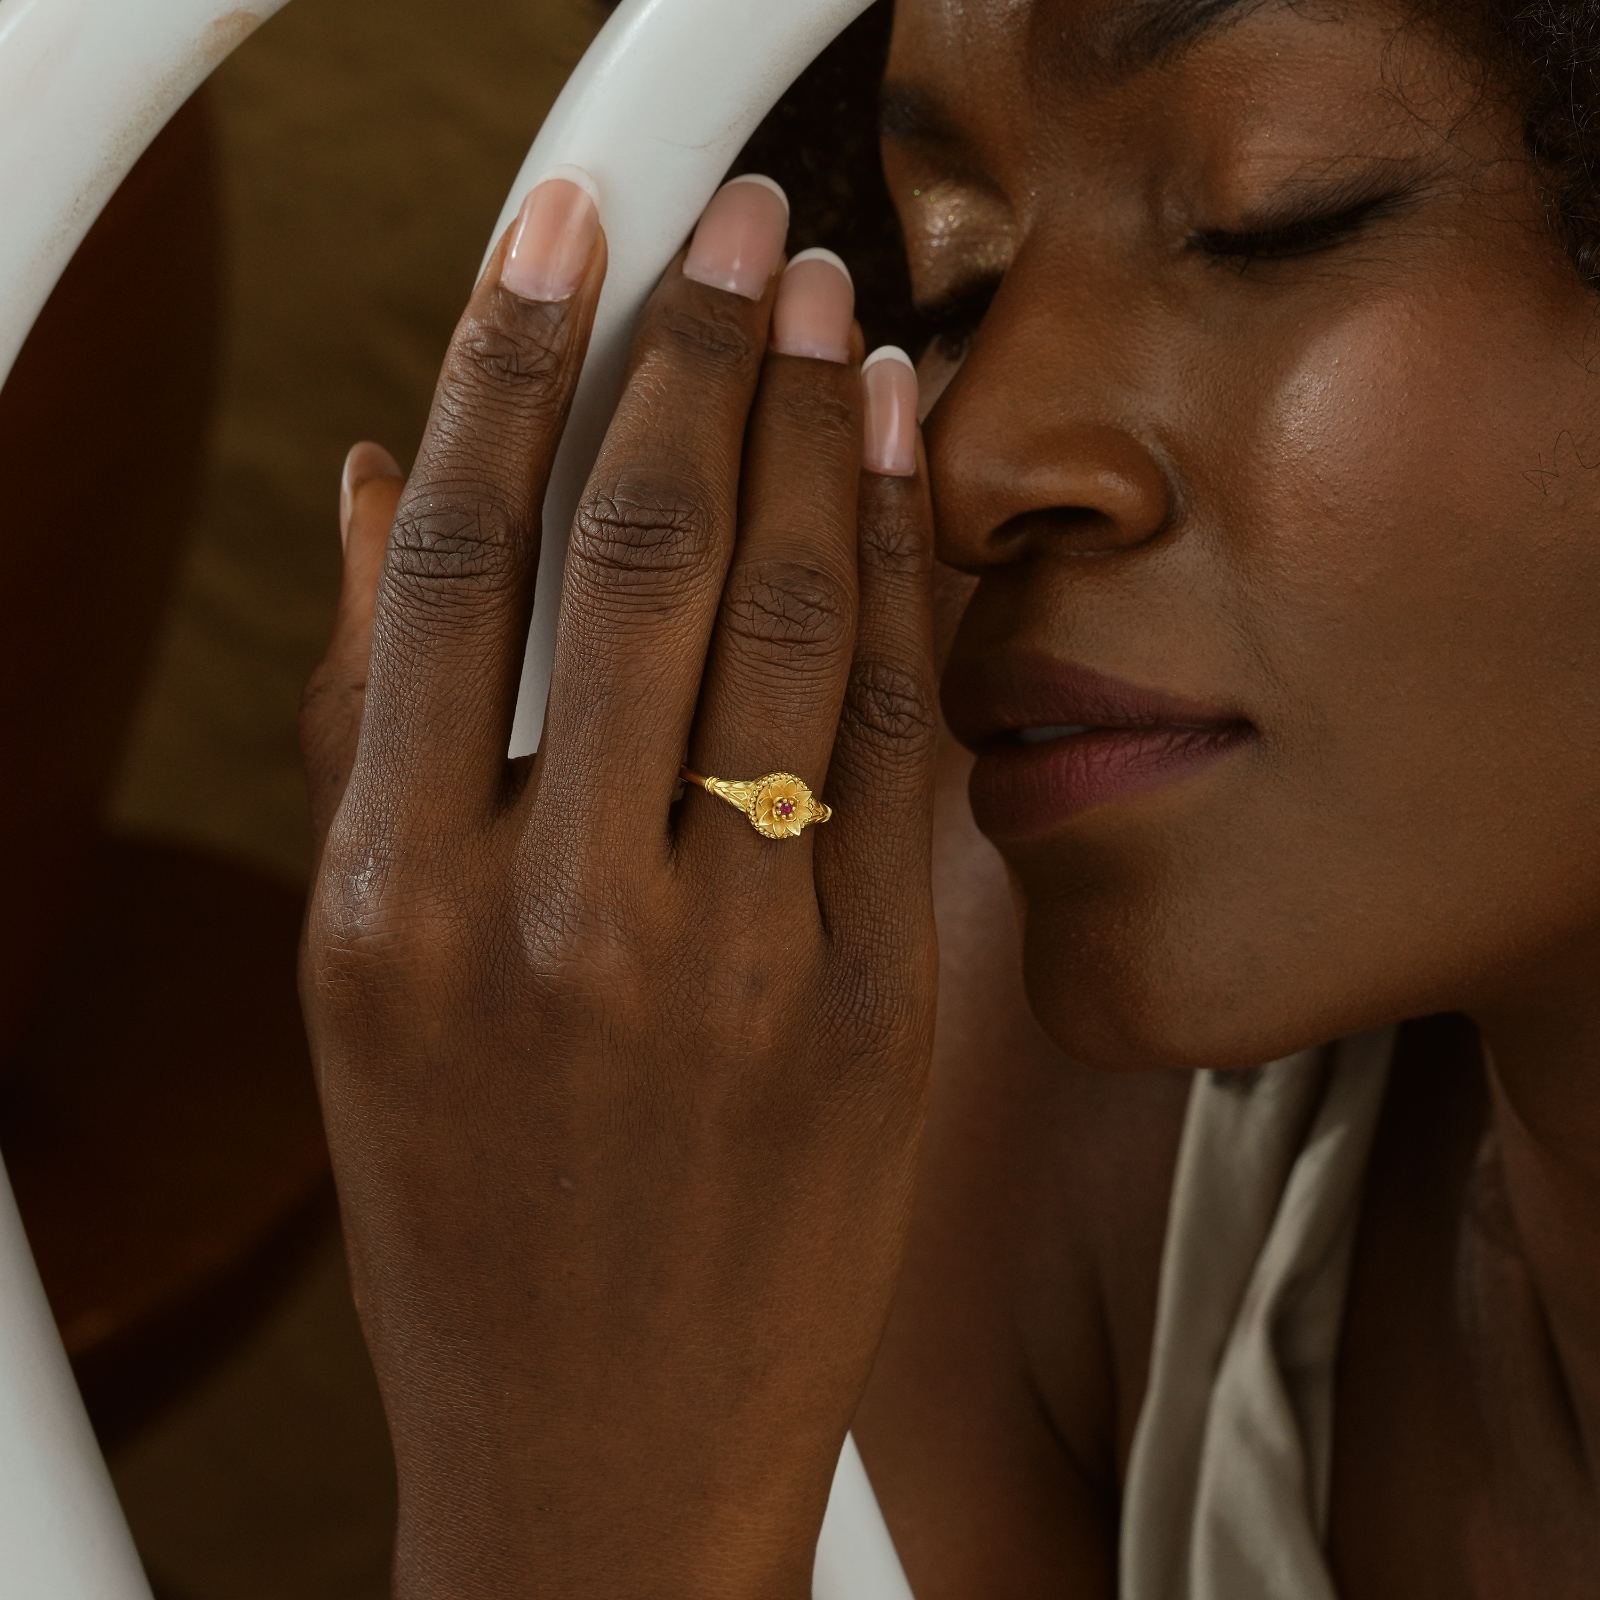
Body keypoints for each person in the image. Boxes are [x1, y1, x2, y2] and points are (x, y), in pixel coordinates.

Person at [295, 1, 1600, 1594]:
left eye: (1267, 220)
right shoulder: (974, 1055)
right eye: (957, 279)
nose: (975, 461)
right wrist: (572, 1443)